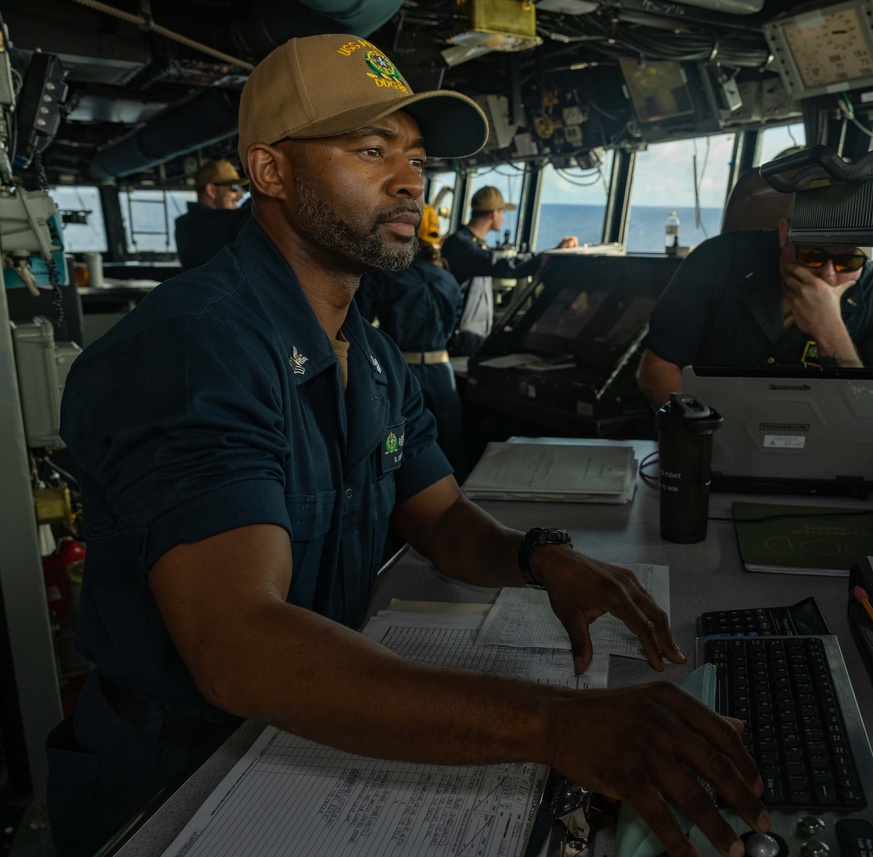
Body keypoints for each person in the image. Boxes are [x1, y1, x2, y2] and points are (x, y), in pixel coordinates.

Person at [46, 33, 768, 857]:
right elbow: (239, 644)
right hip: (183, 774)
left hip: (315, 722)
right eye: (369, 150)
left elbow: (442, 518)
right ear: (270, 172)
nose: (409, 181)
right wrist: (552, 723)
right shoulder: (189, 350)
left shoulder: (372, 353)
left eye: (416, 156)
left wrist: (541, 558)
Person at [636, 219, 873, 408]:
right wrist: (705, 434)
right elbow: (656, 368)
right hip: (706, 436)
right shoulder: (718, 260)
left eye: (848, 261)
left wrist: (832, 333)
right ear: (784, 233)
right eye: (812, 254)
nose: (827, 275)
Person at [356, 204, 469, 481]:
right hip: (443, 375)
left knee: (399, 456)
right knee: (450, 450)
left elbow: (359, 324)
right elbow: (453, 325)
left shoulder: (384, 275)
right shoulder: (449, 279)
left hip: (400, 372)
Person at [441, 186, 579, 354]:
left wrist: (504, 322)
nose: (504, 217)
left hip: (472, 334)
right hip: (460, 339)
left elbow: (478, 301)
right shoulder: (460, 245)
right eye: (502, 212)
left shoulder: (472, 245)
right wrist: (546, 257)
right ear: (493, 214)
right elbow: (501, 265)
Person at [173, 158, 253, 270]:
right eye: (234, 188)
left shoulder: (186, 223)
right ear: (211, 190)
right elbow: (246, 214)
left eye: (241, 189)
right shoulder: (198, 226)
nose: (240, 195)